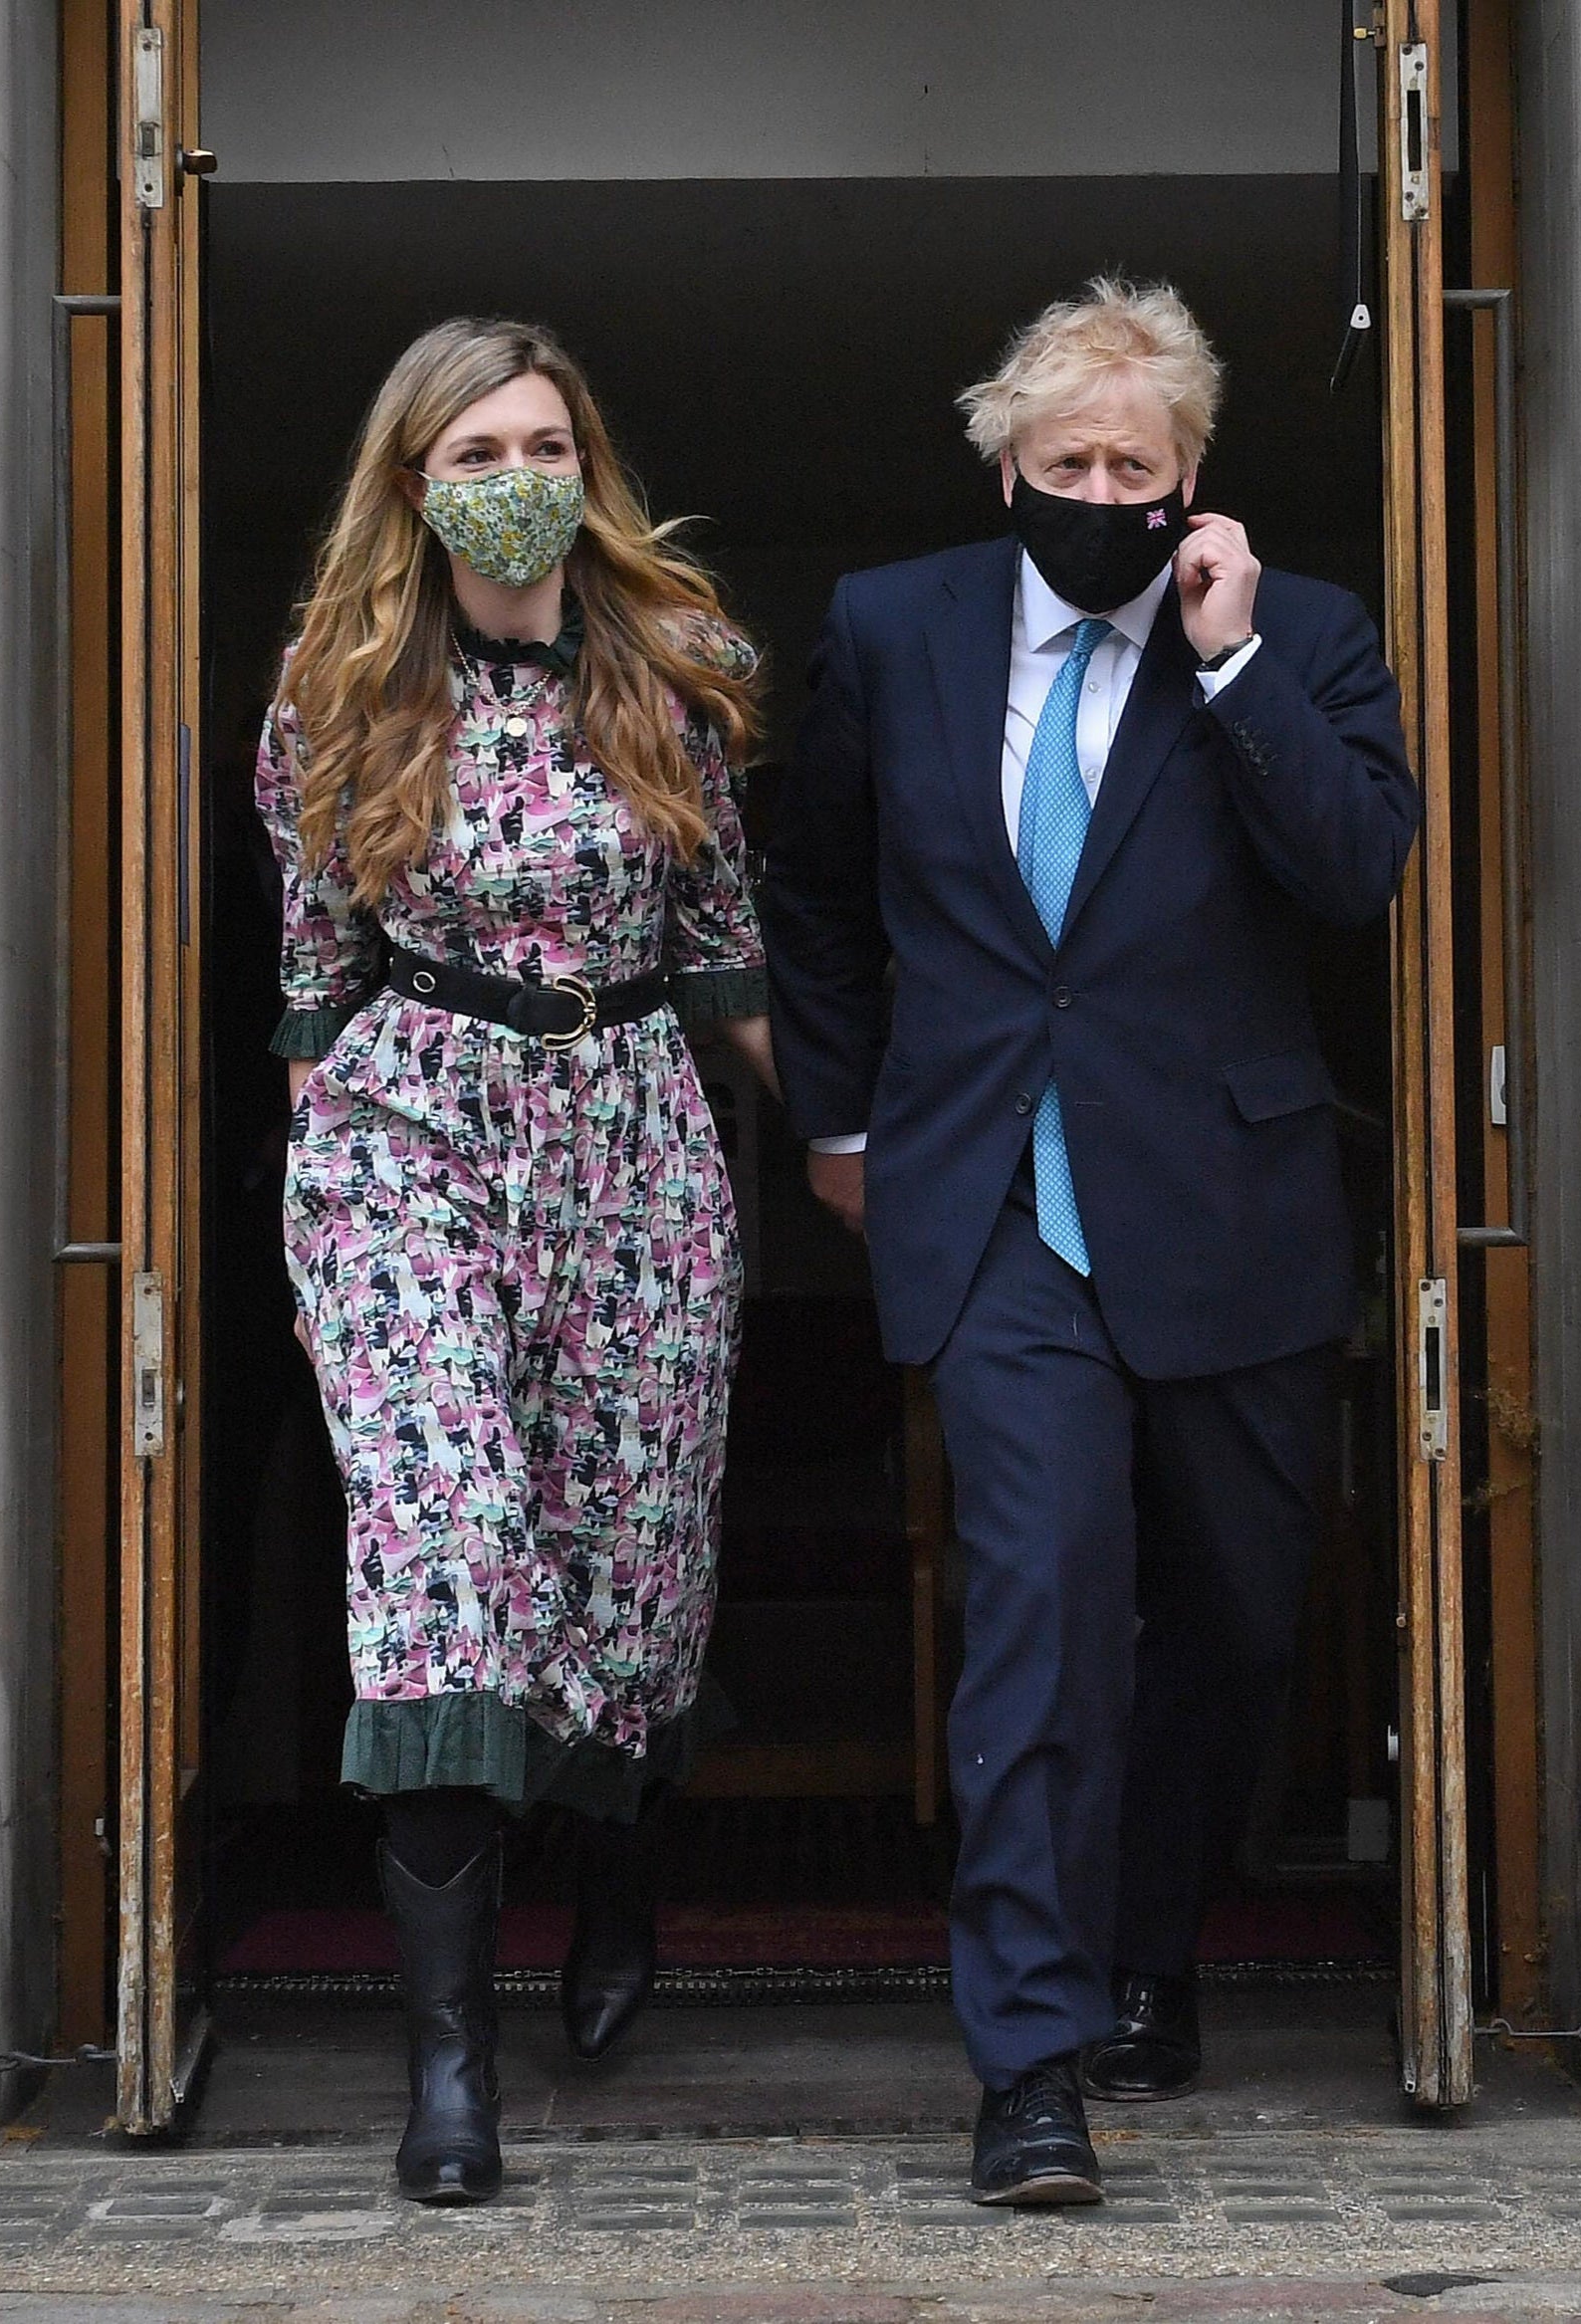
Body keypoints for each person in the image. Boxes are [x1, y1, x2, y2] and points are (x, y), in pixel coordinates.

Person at [761, 280, 1420, 2205]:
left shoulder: (1299, 635)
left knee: (1226, 1619)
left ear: (1193, 477)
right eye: (1070, 461)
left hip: (1226, 1210)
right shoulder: (898, 629)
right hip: (993, 1215)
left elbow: (1361, 870)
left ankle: (1152, 1946)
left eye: (1138, 464)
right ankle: (1032, 2069)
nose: (1102, 487)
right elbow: (815, 889)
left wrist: (1227, 669)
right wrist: (848, 1118)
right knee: (1039, 1617)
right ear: (1007, 466)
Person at [258, 316, 777, 2205]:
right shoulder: (334, 696)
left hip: (635, 1135)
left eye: (547, 440)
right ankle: (449, 2076)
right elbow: (315, 978)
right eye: (477, 446)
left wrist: (864, 1154)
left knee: (628, 1570)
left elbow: (730, 949)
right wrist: (330, 1192)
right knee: (448, 1561)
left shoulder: (682, 669)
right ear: (415, 480)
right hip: (410, 1128)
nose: (518, 474)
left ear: (590, 462)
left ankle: (620, 1855)